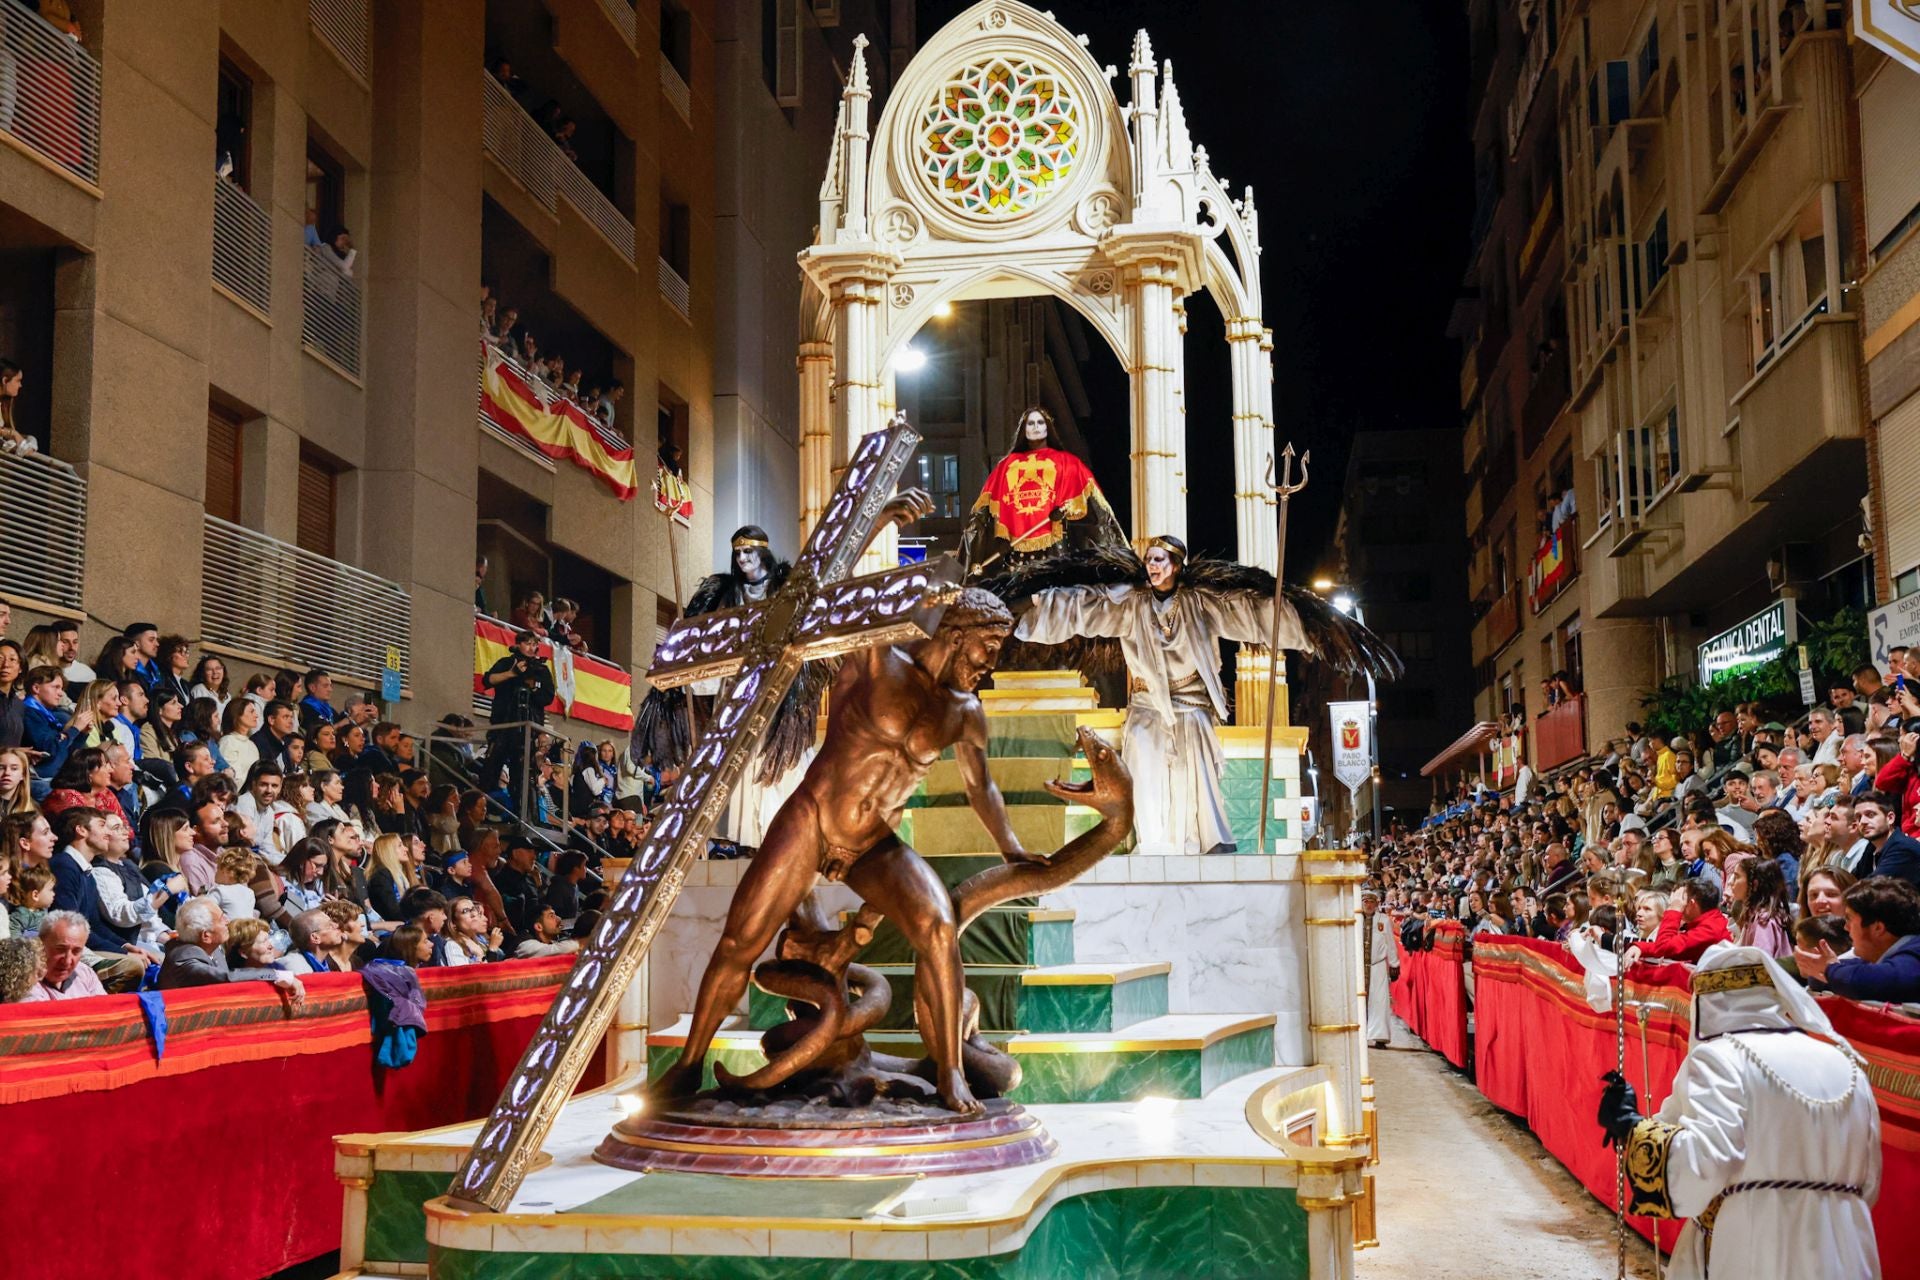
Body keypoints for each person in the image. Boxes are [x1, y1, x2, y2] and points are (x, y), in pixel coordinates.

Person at [1014, 536, 1397, 854]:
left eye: (1161, 560)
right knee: (1144, 766)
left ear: (1177, 564)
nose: (1153, 566)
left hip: (1192, 705)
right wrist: (1025, 612)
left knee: (1195, 768)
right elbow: (1082, 608)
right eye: (1149, 559)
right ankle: (1154, 845)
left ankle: (1210, 840)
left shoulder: (1202, 603)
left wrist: (1303, 625)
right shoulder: (1129, 603)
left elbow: (1252, 613)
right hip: (1148, 705)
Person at [1596, 945, 1880, 1280]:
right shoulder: (1844, 1062)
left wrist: (1633, 1128)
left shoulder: (1720, 1056)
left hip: (1756, 1236)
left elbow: (1705, 1161)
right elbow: (1871, 1178)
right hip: (1844, 1237)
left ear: (1707, 1002)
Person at [959, 406, 1129, 577]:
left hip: (1055, 548)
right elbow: (982, 514)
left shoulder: (1067, 462)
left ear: (1047, 427)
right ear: (1023, 429)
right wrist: (993, 542)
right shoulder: (1005, 466)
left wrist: (1066, 509)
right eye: (1030, 423)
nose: (1035, 427)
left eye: (1040, 422)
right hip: (1015, 554)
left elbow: (1096, 509)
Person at [1796, 876, 1920, 1002]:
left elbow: (1870, 982)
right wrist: (1827, 970)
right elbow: (1834, 976)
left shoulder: (1915, 954)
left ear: (1878, 928)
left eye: (1849, 919)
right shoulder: (1881, 959)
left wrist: (1829, 969)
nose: (1846, 927)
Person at [158, 897, 305, 1002]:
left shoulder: (212, 948)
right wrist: (277, 975)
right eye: (221, 919)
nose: (228, 921)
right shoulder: (185, 960)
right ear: (206, 936)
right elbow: (227, 977)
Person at [478, 629, 554, 808]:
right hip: (503, 724)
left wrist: (533, 687)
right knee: (491, 769)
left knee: (523, 776)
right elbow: (488, 680)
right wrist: (512, 674)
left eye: (534, 644)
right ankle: (482, 808)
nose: (531, 648)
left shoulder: (541, 669)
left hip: (528, 729)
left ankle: (522, 813)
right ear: (519, 644)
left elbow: (548, 697)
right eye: (527, 643)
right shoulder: (506, 663)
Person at [1628, 880, 1732, 965]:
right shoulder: (1709, 921)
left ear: (1691, 904)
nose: (1673, 902)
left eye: (1679, 899)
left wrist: (1674, 910)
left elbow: (1664, 948)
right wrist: (1641, 947)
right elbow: (1670, 946)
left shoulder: (1711, 928)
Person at [17, 911, 107, 1001]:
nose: (67, 961)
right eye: (60, 950)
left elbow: (106, 1010)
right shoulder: (25, 981)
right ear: (40, 944)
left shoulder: (85, 973)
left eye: (76, 951)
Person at [1362, 886, 1394, 1047]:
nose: (1368, 905)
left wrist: (1395, 964)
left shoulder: (1383, 920)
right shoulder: (1355, 919)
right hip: (1359, 967)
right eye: (1365, 902)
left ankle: (1379, 1036)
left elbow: (1390, 943)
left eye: (1371, 902)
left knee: (1379, 1001)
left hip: (1377, 966)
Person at [512, 905, 581, 958]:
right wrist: (580, 943)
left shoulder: (550, 942)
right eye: (551, 916)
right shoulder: (525, 945)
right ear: (539, 927)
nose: (558, 919)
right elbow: (561, 949)